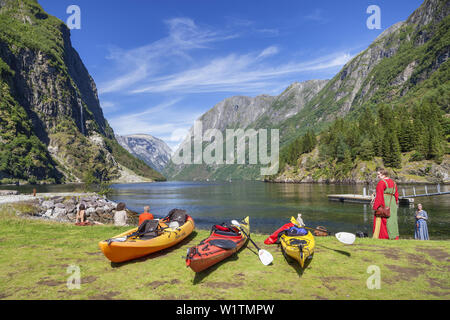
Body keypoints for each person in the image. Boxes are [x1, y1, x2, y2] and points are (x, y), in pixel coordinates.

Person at [372, 168, 399, 240]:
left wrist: (376, 206)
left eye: (378, 174)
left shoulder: (381, 182)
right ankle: (394, 236)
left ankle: (384, 236)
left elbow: (379, 196)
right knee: (392, 220)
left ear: (383, 174)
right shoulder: (394, 182)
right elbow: (396, 195)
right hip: (392, 203)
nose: (377, 176)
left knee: (383, 219)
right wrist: (395, 204)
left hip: (385, 202)